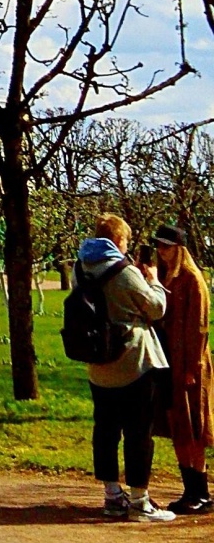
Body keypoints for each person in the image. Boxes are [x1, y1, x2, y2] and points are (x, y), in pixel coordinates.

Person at [76, 213, 174, 522]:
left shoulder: (81, 269)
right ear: (118, 240)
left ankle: (111, 495)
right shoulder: (124, 270)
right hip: (133, 363)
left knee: (105, 431)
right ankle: (139, 500)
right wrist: (155, 281)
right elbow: (156, 308)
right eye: (126, 240)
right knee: (138, 432)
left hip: (98, 364)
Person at [153, 223, 214, 515]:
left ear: (179, 248)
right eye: (159, 247)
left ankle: (201, 492)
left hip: (190, 365)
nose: (161, 252)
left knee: (194, 428)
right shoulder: (165, 278)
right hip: (167, 361)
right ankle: (189, 489)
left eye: (166, 246)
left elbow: (199, 329)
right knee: (177, 426)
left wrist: (193, 367)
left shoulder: (192, 279)